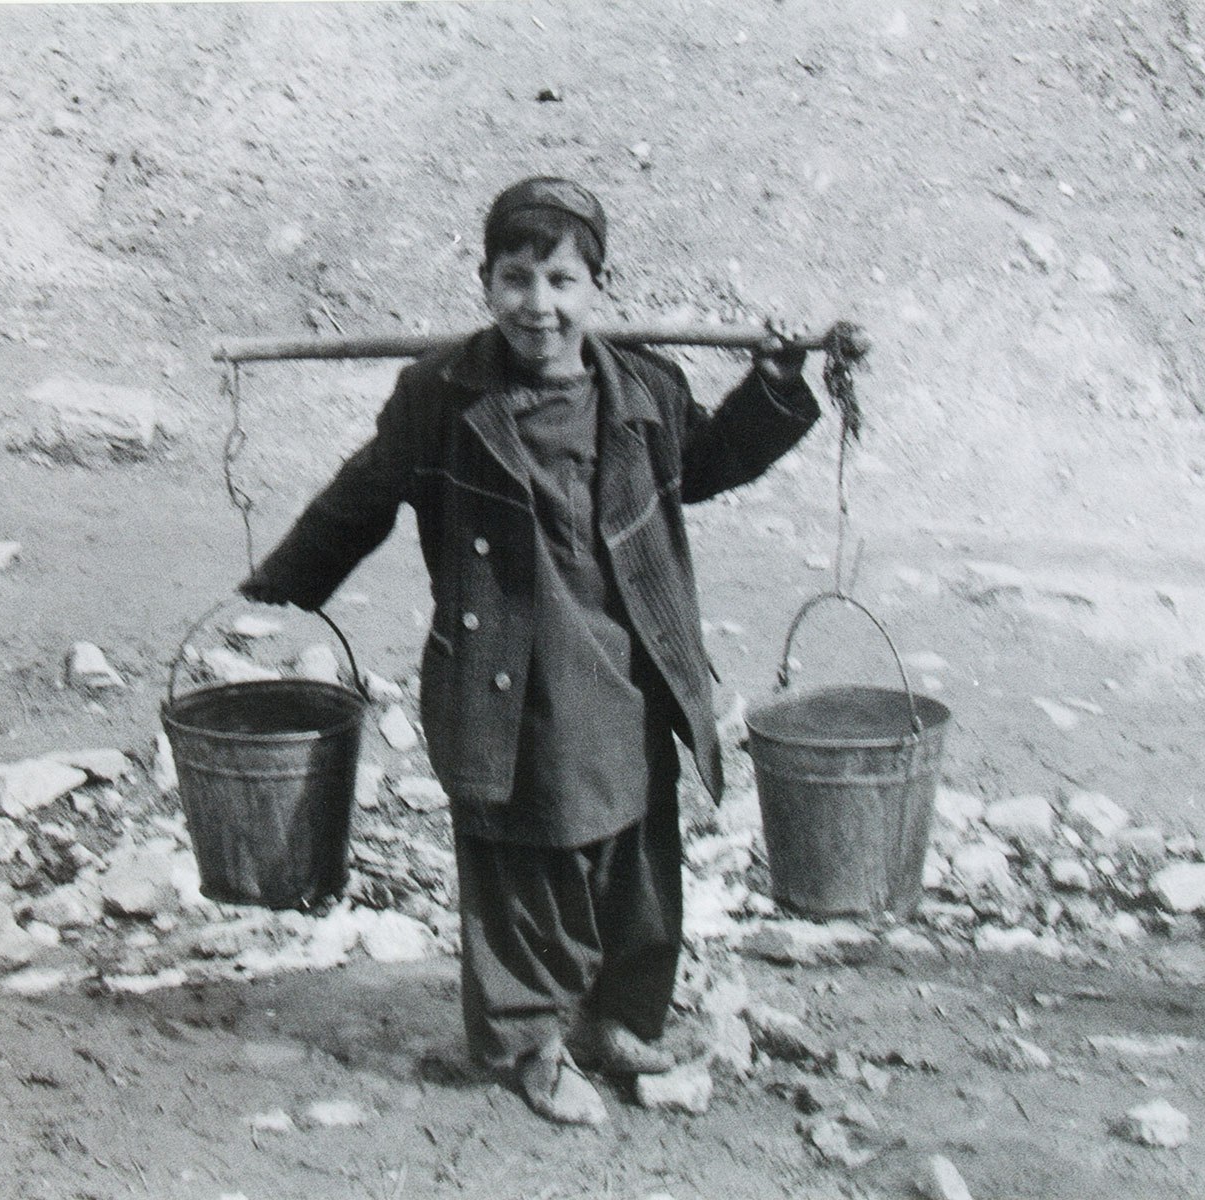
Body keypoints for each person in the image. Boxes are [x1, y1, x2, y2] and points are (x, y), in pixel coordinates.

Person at [239, 176, 820, 1121]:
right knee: (522, 856)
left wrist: (777, 388)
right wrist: (289, 576)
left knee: (634, 844)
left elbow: (705, 468)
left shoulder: (646, 387)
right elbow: (367, 489)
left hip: (628, 655)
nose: (538, 306)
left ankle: (619, 1019)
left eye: (561, 280)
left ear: (596, 286)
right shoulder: (439, 393)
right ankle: (530, 1041)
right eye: (517, 279)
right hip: (503, 664)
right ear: (485, 281)